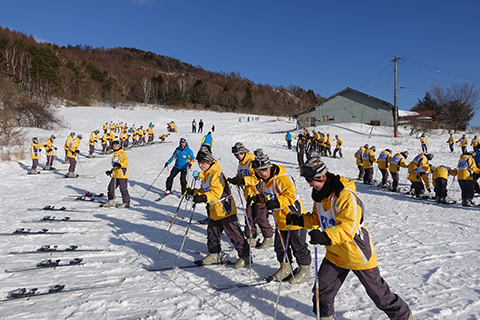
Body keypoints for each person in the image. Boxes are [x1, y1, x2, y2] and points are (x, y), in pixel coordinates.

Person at [286, 156, 412, 320]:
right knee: (321, 291)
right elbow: (318, 218)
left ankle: (403, 316)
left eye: (311, 180)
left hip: (356, 251)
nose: (309, 184)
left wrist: (325, 236)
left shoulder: (344, 195)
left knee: (379, 294)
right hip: (335, 252)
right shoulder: (320, 195)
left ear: (322, 177)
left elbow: (348, 225)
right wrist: (300, 220)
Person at [250, 149, 311, 284]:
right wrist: (257, 198)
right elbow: (265, 195)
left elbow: (290, 196)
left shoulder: (283, 178)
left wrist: (277, 202)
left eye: (263, 171)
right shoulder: (264, 182)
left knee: (298, 246)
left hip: (294, 218)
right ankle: (286, 268)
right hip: (280, 220)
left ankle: (305, 270)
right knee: (280, 246)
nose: (261, 174)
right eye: (258, 172)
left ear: (269, 167)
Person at [187, 146, 250, 269]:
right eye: (199, 163)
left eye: (203, 163)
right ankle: (214, 253)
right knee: (212, 233)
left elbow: (216, 192)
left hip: (225, 209)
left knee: (233, 234)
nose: (201, 165)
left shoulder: (216, 173)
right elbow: (203, 190)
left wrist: (204, 198)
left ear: (209, 161)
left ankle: (245, 256)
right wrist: (193, 192)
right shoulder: (207, 174)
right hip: (215, 211)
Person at [227, 142, 274, 249]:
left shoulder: (252, 161)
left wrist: (242, 180)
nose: (236, 157)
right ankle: (250, 237)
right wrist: (236, 180)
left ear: (243, 152)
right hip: (249, 193)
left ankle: (268, 236)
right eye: (235, 155)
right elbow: (241, 177)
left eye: (238, 154)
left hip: (258, 192)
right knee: (249, 216)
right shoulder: (241, 164)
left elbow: (256, 178)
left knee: (260, 216)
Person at [103, 140, 131, 208]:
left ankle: (126, 202)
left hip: (122, 174)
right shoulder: (115, 155)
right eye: (114, 145)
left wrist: (119, 164)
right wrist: (111, 171)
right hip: (115, 174)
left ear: (119, 146)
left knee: (123, 189)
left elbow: (126, 163)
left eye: (116, 145)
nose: (115, 146)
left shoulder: (122, 153)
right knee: (111, 188)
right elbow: (115, 166)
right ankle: (111, 200)